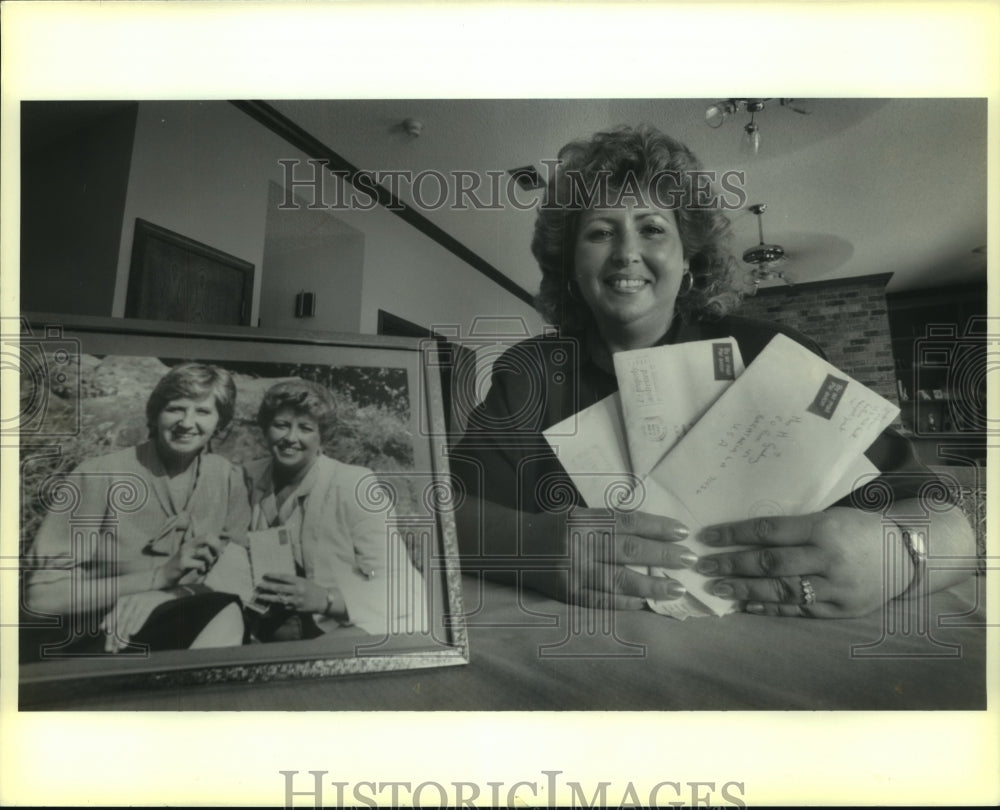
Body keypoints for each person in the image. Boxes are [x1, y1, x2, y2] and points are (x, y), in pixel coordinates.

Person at [450, 124, 975, 619]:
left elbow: (952, 526)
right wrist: (534, 547)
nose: (627, 253)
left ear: (689, 261)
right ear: (569, 267)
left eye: (652, 228)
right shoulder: (531, 372)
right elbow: (440, 513)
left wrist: (900, 558)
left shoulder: (772, 352)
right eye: (600, 233)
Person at [24, 362, 251, 657]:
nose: (186, 422)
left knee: (227, 612)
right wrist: (155, 579)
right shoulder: (100, 475)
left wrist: (164, 596)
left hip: (180, 616)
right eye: (175, 408)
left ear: (221, 422)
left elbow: (239, 577)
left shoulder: (229, 479)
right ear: (155, 414)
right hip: (91, 631)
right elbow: (40, 599)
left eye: (203, 411)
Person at [245, 379, 425, 641]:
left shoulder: (353, 485)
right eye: (281, 425)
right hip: (268, 625)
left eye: (305, 428)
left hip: (341, 624)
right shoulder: (250, 477)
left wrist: (326, 599)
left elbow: (407, 589)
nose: (290, 438)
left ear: (322, 438)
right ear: (265, 428)